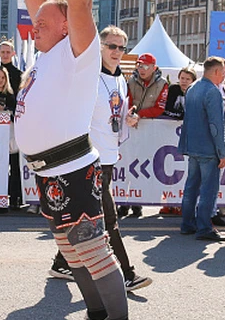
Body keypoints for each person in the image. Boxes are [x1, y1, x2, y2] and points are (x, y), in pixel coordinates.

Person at [15, 0, 136, 320]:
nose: (34, 26)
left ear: (69, 27)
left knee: (91, 248)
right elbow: (39, 5)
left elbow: (79, 3)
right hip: (49, 172)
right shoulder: (46, 55)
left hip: (73, 169)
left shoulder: (78, 51)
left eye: (44, 22)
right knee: (72, 251)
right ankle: (98, 318)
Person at [48, 25, 152, 291]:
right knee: (108, 219)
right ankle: (126, 274)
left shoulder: (119, 78)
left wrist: (131, 117)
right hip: (89, 158)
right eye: (112, 46)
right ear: (101, 47)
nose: (117, 52)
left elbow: (119, 111)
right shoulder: (88, 76)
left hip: (108, 155)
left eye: (122, 47)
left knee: (87, 217)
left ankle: (61, 262)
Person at [178, 56, 225, 242]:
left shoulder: (193, 88)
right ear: (216, 71)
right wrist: (223, 152)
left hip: (193, 146)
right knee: (208, 189)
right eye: (224, 72)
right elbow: (216, 126)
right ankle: (204, 228)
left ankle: (187, 224)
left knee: (191, 186)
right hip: (208, 149)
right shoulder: (213, 92)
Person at [120, 52, 168, 218]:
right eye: (139, 65)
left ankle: (137, 203)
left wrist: (140, 114)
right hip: (130, 128)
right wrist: (131, 114)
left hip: (149, 130)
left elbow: (159, 107)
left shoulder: (162, 84)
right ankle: (123, 203)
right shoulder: (131, 81)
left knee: (142, 167)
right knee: (126, 165)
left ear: (154, 68)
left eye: (145, 66)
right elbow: (127, 100)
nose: (141, 69)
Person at [0, 66, 22, 210]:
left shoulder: (10, 95)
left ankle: (14, 198)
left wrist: (5, 111)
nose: (0, 80)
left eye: (3, 77)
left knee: (14, 168)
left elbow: (16, 113)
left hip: (10, 137)